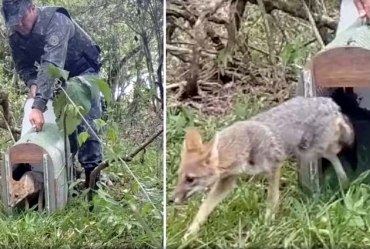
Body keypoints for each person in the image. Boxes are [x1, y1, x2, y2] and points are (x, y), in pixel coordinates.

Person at [1, 0, 104, 189]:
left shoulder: (57, 20)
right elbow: (23, 66)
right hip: (59, 78)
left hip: (83, 70)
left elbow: (50, 64)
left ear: (32, 8)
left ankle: (94, 179)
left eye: (22, 19)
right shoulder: (15, 34)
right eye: (14, 23)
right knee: (63, 125)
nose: (19, 26)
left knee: (87, 120)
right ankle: (67, 177)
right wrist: (33, 84)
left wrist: (38, 106)